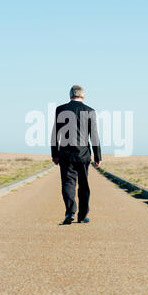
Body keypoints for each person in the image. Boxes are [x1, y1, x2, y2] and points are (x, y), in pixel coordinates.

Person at [51, 85, 102, 224]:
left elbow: (55, 134)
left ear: (70, 95)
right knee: (84, 185)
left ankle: (70, 213)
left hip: (65, 154)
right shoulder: (90, 111)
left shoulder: (60, 109)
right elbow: (94, 136)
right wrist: (98, 157)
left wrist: (54, 154)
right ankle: (82, 215)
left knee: (68, 183)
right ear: (83, 96)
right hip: (83, 154)